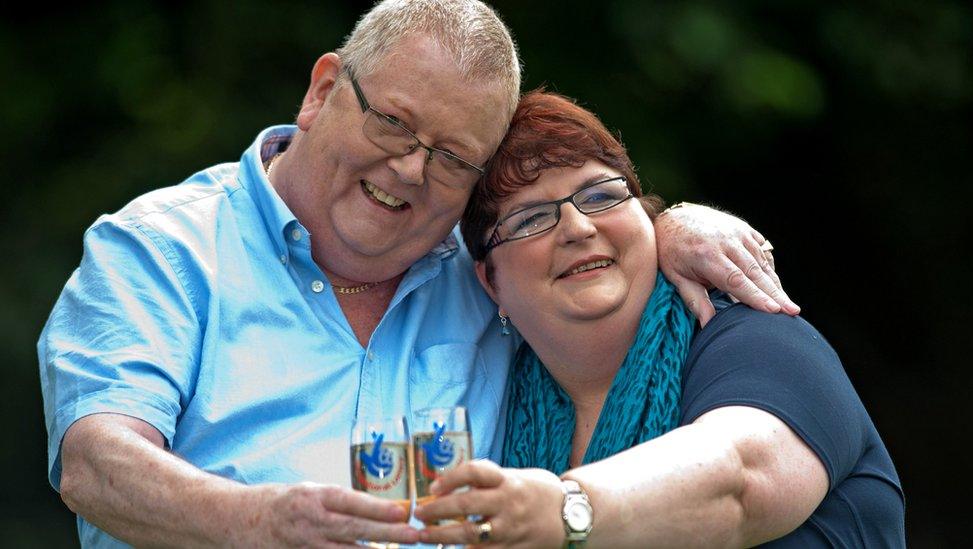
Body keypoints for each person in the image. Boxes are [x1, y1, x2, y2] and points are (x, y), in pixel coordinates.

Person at [39, 1, 797, 547]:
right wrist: (258, 523)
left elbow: (578, 238)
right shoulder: (165, 247)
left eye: (453, 157)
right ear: (323, 89)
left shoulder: (486, 275)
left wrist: (670, 225)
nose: (408, 169)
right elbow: (97, 466)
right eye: (393, 123)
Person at [414, 90, 904, 547]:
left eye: (601, 196)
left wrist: (565, 511)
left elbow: (739, 480)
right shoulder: (492, 403)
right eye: (530, 219)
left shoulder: (761, 339)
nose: (578, 228)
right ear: (489, 282)